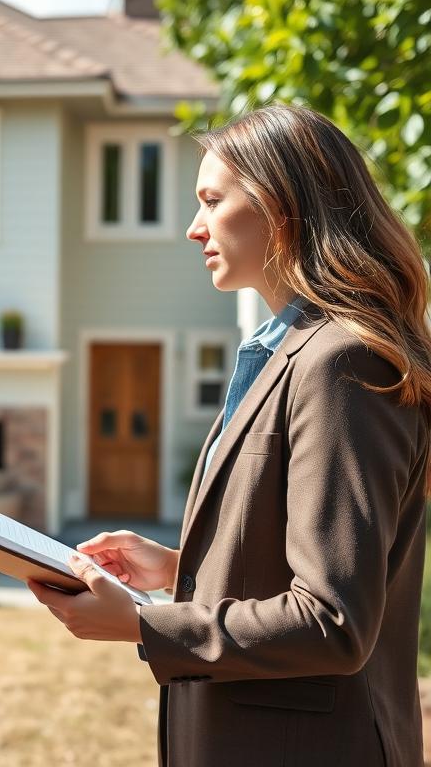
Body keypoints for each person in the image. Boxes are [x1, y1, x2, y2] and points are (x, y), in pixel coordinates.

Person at [28, 104, 431, 766]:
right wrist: (183, 568)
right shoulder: (283, 355)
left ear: (281, 206)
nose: (194, 228)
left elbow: (332, 621)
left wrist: (140, 622)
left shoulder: (340, 364)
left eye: (212, 200)